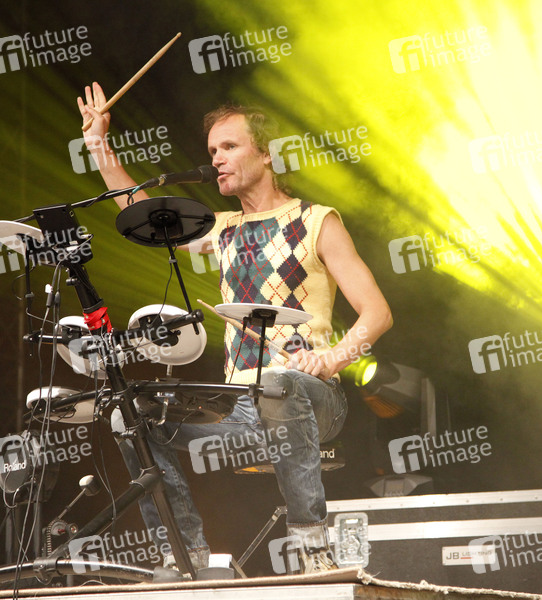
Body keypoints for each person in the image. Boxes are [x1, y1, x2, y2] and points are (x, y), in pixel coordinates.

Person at [77, 83, 392, 572]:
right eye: (212, 152)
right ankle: (184, 554)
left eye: (229, 146)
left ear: (266, 154)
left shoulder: (316, 221)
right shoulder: (223, 228)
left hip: (313, 399)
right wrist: (99, 144)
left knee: (278, 382)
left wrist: (332, 358)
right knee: (130, 413)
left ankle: (311, 546)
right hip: (239, 410)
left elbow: (377, 312)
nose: (217, 159)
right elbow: (146, 214)